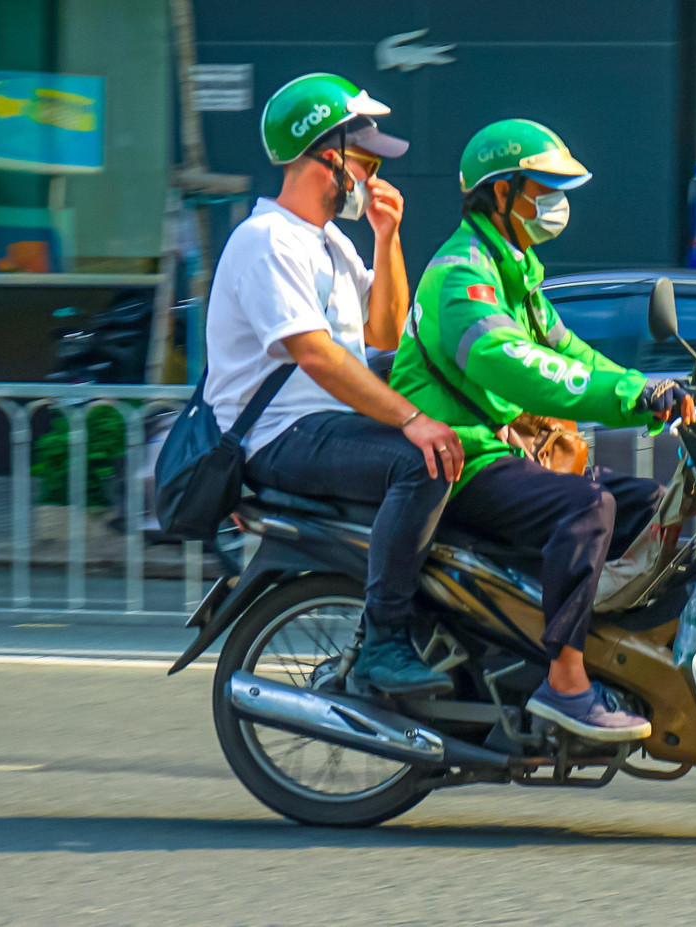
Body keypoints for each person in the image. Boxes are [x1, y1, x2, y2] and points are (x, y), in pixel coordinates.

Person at [391, 119, 695, 741]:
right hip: (465, 459)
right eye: (544, 188)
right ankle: (566, 680)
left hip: (507, 453)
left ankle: (618, 659)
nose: (556, 202)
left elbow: (572, 353)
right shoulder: (463, 275)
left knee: (653, 505)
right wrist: (629, 396)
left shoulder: (517, 271)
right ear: (501, 192)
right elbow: (516, 366)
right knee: (586, 507)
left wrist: (650, 391)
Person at [203, 73, 464, 695]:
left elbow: (386, 333)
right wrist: (411, 420)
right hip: (278, 437)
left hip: (324, 429)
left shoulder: (331, 243)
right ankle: (384, 643)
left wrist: (387, 236)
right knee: (421, 461)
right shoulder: (266, 241)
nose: (374, 178)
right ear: (328, 158)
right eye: (366, 163)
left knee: (467, 455)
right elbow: (317, 356)